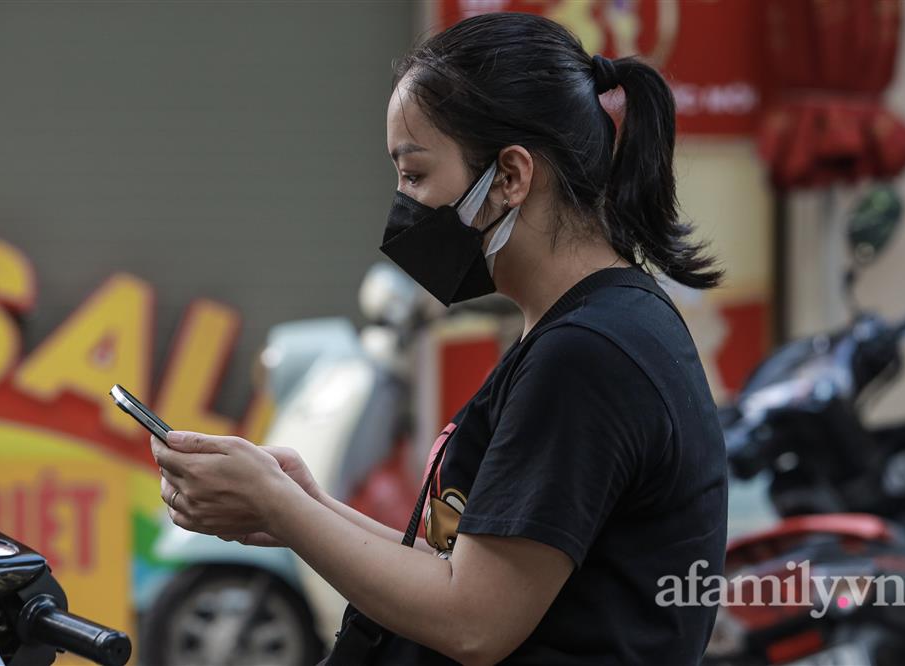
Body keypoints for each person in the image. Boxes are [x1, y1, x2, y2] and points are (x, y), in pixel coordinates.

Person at [151, 12, 728, 665]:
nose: (403, 200)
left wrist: (284, 510)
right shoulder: (584, 328)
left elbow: (474, 621)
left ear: (510, 177)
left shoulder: (589, 352)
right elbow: (468, 565)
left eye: (416, 172)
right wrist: (306, 507)